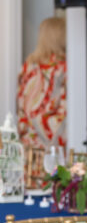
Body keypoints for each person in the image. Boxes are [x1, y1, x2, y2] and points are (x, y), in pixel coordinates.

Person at [16, 15, 67, 153]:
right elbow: (65, 110)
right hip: (51, 146)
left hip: (27, 143)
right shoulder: (63, 69)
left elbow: (20, 105)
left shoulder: (28, 66)